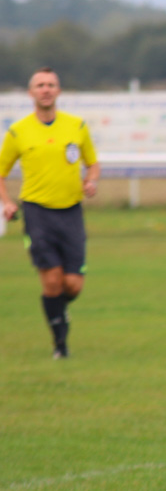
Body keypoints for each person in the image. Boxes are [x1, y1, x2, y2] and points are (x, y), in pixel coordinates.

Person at [0, 67, 100, 359]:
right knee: (52, 279)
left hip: (71, 212)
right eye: (40, 85)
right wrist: (6, 202)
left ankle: (58, 310)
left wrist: (91, 181)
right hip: (37, 213)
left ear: (58, 91)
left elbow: (93, 163)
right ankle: (60, 346)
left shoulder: (76, 126)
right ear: (31, 93)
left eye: (51, 84)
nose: (46, 89)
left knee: (73, 285)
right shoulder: (19, 131)